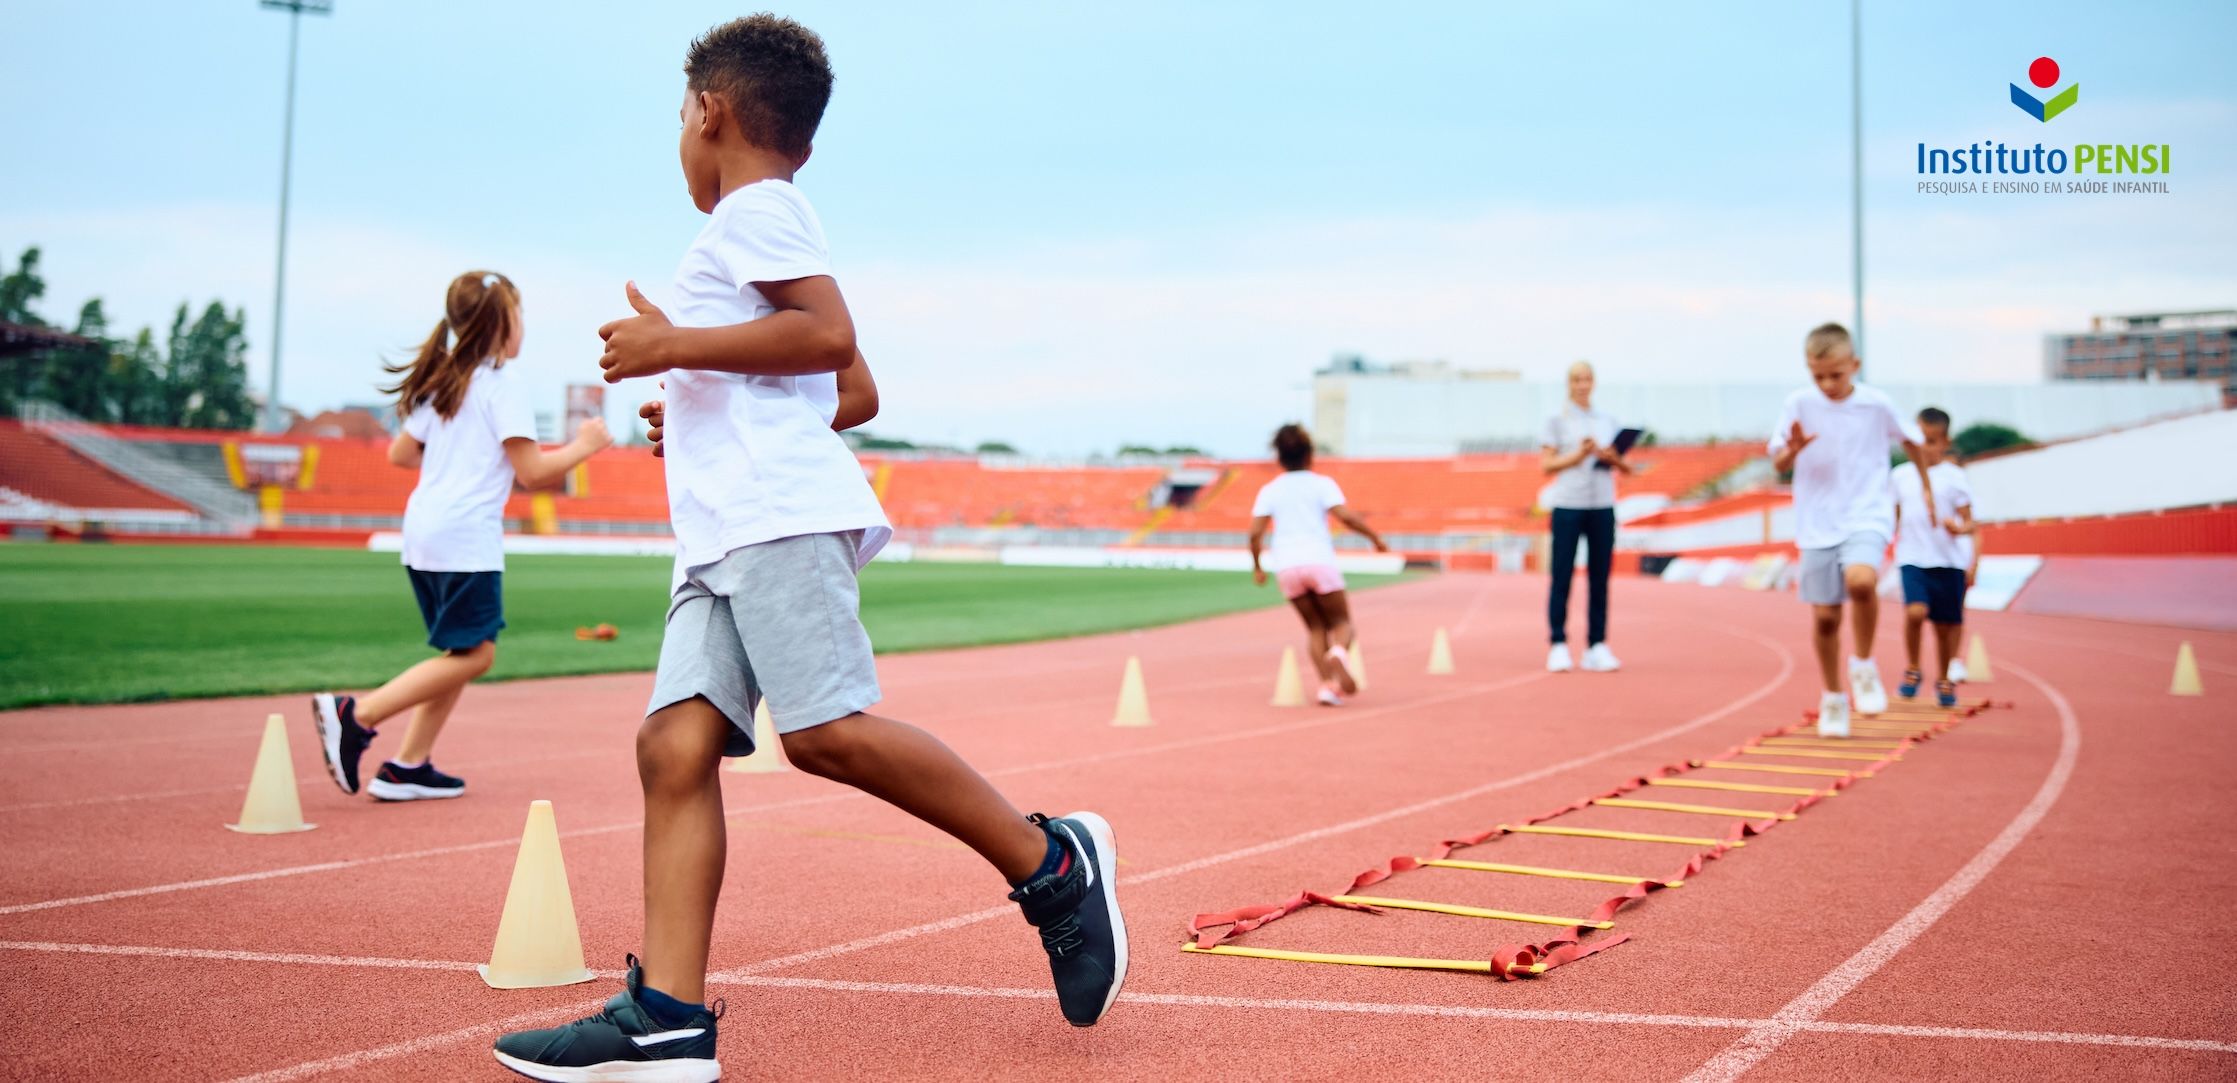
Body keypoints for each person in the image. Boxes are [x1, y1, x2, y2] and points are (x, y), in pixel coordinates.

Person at [492, 19, 1123, 1081]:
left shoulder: (759, 211)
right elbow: (854, 392)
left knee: (825, 733)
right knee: (674, 748)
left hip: (773, 518)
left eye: (677, 120)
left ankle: (1051, 866)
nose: (679, 142)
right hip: (723, 528)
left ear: (708, 111)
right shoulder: (751, 229)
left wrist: (672, 349)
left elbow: (829, 342)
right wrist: (689, 402)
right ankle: (667, 1020)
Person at [310, 271, 612, 802]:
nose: (524, 328)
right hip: (465, 537)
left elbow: (400, 454)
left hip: (424, 532)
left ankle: (409, 765)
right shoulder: (503, 387)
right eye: (520, 316)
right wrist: (587, 444)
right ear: (501, 324)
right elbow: (535, 472)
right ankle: (356, 715)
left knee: (458, 650)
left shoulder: (448, 382)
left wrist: (458, 458)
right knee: (477, 656)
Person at [1769, 322, 1934, 738]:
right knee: (1825, 618)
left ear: (1854, 365)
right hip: (1817, 520)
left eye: (1836, 374)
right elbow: (1778, 464)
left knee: (1861, 581)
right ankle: (1833, 698)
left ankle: (1863, 665)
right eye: (1817, 374)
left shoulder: (1876, 404)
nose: (1826, 383)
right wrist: (1792, 450)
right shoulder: (1799, 403)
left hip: (1866, 512)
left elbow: (1913, 441)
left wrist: (1926, 490)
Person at [1249, 424, 1389, 706]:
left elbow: (1255, 533)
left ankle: (1328, 686)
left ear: (1279, 457)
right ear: (1309, 454)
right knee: (1341, 622)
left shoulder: (1270, 490)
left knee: (1314, 628)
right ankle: (1339, 652)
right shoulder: (1321, 484)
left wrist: (1258, 566)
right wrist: (1375, 538)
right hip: (1318, 560)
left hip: (1287, 565)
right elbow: (1346, 517)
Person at [1538, 360, 1630, 673]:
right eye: (1577, 379)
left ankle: (1597, 644)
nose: (1582, 384)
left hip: (1603, 504)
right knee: (1561, 575)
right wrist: (1579, 454)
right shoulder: (1556, 420)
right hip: (1568, 505)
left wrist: (1609, 456)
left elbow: (1626, 468)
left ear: (1594, 382)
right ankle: (1558, 643)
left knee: (1600, 577)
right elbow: (1546, 465)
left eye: (1587, 379)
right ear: (1568, 382)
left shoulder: (1607, 420)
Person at [1892, 407, 1977, 707]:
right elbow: (1893, 517)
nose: (1924, 447)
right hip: (1912, 557)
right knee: (1914, 612)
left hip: (1948, 561)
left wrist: (1959, 527)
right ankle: (1913, 669)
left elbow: (1970, 522)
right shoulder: (1900, 475)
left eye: (1931, 441)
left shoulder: (1954, 477)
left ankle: (1943, 677)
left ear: (1944, 441)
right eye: (1919, 440)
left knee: (1945, 627)